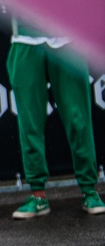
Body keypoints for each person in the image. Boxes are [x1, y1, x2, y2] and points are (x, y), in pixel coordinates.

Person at [6, 23, 105, 218]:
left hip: (67, 38)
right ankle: (38, 196)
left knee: (78, 119)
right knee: (30, 122)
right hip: (25, 38)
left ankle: (89, 191)